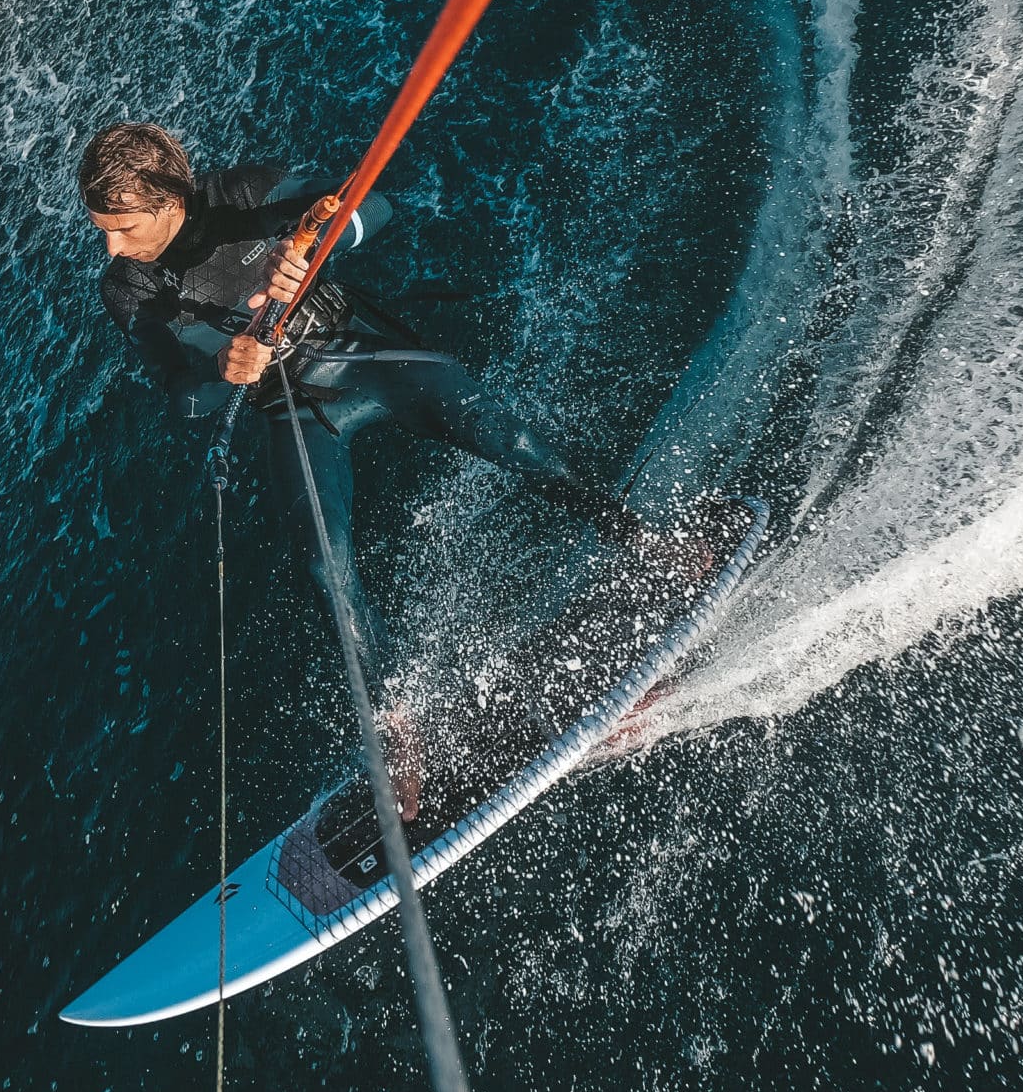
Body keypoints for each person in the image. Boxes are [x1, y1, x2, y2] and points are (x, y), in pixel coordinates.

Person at [78, 122, 637, 705]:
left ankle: (634, 535)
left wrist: (317, 247)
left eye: (121, 228)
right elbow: (181, 397)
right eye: (104, 232)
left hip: (359, 352)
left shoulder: (243, 193)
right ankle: (394, 718)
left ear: (168, 201)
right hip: (291, 408)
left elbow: (374, 203)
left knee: (504, 436)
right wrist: (223, 369)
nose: (112, 248)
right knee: (325, 564)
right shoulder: (127, 287)